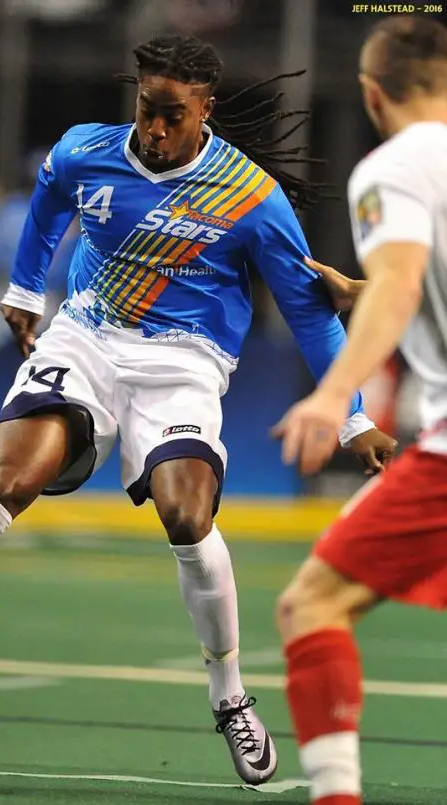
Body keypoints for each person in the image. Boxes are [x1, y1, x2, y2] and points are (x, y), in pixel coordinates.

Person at [0, 34, 395, 786]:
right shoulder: (86, 151)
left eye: (172, 116)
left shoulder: (251, 199)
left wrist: (353, 418)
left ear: (206, 110)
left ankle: (230, 700)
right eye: (145, 111)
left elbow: (312, 314)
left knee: (187, 517)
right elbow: (47, 203)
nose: (154, 132)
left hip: (185, 364)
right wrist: (27, 290)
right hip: (89, 336)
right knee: (1, 486)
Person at [273, 15, 447, 805]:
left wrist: (331, 388)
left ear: (373, 95)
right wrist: (360, 289)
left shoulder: (395, 167)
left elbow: (408, 282)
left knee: (311, 603)